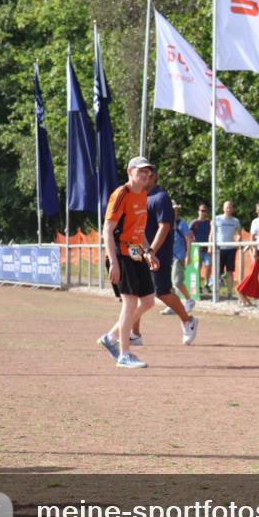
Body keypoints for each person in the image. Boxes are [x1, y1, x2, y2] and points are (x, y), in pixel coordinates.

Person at [97, 156, 161, 369]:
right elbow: (107, 229)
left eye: (148, 172)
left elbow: (139, 230)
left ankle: (111, 337)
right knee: (130, 302)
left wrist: (149, 251)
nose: (145, 175)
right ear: (130, 171)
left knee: (149, 301)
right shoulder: (121, 194)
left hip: (135, 253)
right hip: (120, 253)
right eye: (141, 170)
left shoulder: (143, 194)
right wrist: (113, 261)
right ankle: (124, 354)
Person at [131, 169, 198, 346]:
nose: (142, 177)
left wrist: (151, 251)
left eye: (146, 174)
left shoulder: (160, 197)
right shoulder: (139, 196)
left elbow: (164, 227)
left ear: (153, 177)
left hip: (158, 254)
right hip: (140, 251)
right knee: (136, 292)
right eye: (139, 173)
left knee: (163, 292)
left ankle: (188, 320)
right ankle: (135, 334)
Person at [161, 201, 195, 314]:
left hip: (179, 256)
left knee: (177, 282)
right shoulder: (165, 223)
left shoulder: (182, 223)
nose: (174, 212)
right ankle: (173, 305)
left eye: (175, 209)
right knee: (169, 283)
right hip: (169, 256)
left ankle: (189, 301)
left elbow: (189, 239)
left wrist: (188, 255)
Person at [210, 200, 241, 298]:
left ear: (233, 209)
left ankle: (229, 293)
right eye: (227, 207)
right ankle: (216, 293)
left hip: (231, 249)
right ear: (223, 208)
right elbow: (211, 234)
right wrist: (210, 246)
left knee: (230, 272)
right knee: (217, 271)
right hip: (219, 249)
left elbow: (239, 233)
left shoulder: (235, 221)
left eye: (230, 207)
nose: (228, 209)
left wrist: (239, 239)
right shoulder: (217, 219)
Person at [189, 203, 212, 295]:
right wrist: (193, 243)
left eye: (205, 211)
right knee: (197, 268)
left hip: (207, 250)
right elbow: (189, 234)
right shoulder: (194, 222)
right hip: (197, 250)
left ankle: (206, 284)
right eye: (202, 210)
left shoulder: (209, 222)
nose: (203, 212)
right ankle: (198, 286)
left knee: (208, 265)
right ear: (198, 211)